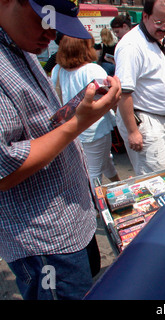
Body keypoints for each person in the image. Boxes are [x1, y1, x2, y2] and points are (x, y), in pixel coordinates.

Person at [0, 0, 121, 300]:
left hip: (68, 225)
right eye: (45, 20)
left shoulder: (20, 46)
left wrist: (77, 111)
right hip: (45, 242)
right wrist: (80, 121)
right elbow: (5, 169)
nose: (52, 34)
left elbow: (42, 126)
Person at [114, 0, 165, 175]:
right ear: (145, 16)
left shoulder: (163, 39)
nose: (164, 28)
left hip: (160, 118)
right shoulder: (131, 46)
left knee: (161, 173)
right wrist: (133, 131)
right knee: (153, 180)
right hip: (144, 120)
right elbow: (123, 93)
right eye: (159, 22)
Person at [51, 35, 120, 188]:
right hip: (95, 128)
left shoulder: (58, 70)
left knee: (104, 160)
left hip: (71, 127)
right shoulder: (92, 69)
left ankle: (118, 185)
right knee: (93, 171)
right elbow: (110, 96)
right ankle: (96, 206)